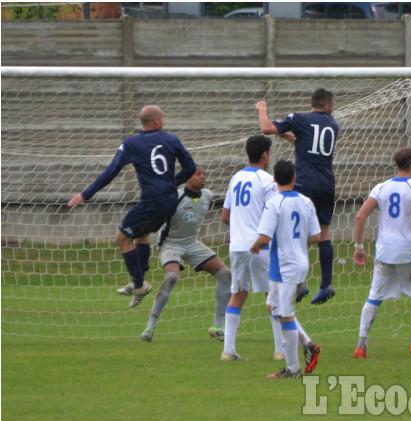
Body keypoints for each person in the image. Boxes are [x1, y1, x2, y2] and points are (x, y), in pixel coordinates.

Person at [68, 105, 196, 308]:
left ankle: (139, 284)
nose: (164, 120)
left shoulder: (131, 143)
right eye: (162, 117)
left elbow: (111, 172)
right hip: (169, 201)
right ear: (155, 121)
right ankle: (138, 280)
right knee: (141, 235)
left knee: (122, 238)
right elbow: (190, 167)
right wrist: (172, 183)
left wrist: (86, 194)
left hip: (151, 201)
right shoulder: (172, 139)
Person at [255, 88, 339, 305]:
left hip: (304, 185)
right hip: (327, 184)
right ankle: (326, 285)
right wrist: (286, 135)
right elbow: (306, 145)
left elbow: (266, 128)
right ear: (327, 106)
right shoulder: (333, 125)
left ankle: (298, 285)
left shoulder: (299, 118)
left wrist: (262, 109)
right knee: (324, 234)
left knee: (294, 234)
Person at [352, 147, 411, 358]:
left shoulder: (381, 187)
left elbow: (360, 217)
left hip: (385, 251)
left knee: (374, 296)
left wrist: (359, 248)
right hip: (410, 251)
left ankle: (361, 345)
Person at [138, 165, 232, 342]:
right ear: (188, 177)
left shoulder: (208, 196)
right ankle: (151, 326)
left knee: (225, 274)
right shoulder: (174, 197)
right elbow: (156, 220)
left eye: (204, 174)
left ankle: (218, 326)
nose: (203, 177)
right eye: (198, 174)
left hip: (192, 243)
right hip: (170, 244)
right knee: (172, 277)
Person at [251, 159, 322, 378]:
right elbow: (317, 236)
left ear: (274, 178)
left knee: (285, 314)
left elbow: (263, 237)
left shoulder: (274, 203)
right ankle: (307, 343)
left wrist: (254, 248)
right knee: (273, 307)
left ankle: (293, 369)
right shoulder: (306, 202)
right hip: (294, 263)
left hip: (285, 266)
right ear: (294, 177)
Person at [220, 135, 284, 361]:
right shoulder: (268, 181)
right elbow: (275, 215)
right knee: (273, 294)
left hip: (236, 246)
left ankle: (228, 351)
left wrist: (241, 226)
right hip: (259, 246)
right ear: (265, 154)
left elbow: (225, 215)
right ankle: (280, 351)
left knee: (237, 295)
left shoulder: (235, 178)